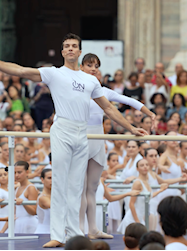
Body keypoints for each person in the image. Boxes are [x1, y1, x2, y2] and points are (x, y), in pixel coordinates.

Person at [0, 33, 147, 247]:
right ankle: (57, 235)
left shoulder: (90, 80)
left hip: (81, 132)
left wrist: (130, 128)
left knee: (77, 186)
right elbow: (22, 71)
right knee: (59, 183)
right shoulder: (54, 73)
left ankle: (75, 233)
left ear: (79, 51)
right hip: (63, 129)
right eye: (66, 46)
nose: (70, 49)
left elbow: (108, 108)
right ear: (62, 51)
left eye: (74, 46)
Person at [79, 53, 155, 239]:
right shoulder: (76, 88)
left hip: (97, 138)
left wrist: (150, 113)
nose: (94, 68)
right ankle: (79, 229)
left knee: (93, 187)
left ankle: (93, 229)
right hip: (80, 136)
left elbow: (129, 100)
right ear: (81, 68)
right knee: (79, 187)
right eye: (89, 65)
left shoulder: (103, 91)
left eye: (96, 65)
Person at [118, 159, 168, 233]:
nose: (145, 167)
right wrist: (137, 221)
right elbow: (131, 203)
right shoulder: (138, 183)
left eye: (146, 165)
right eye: (142, 165)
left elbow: (149, 196)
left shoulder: (146, 182)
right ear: (137, 169)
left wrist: (160, 190)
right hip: (133, 218)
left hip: (141, 217)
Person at [14, 161, 39, 233]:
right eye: (15, 173)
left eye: (19, 172)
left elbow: (34, 211)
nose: (16, 175)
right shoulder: (17, 187)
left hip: (29, 224)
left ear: (27, 172)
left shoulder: (31, 188)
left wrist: (23, 203)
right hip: (18, 223)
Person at [35, 168, 52, 234]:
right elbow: (57, 208)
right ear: (42, 180)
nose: (52, 180)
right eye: (49, 178)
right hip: (43, 232)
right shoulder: (43, 198)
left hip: (54, 232)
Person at [0, 167, 9, 233]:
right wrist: (7, 202)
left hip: (10, 217)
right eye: (0, 175)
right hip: (3, 218)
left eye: (5, 174)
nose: (3, 177)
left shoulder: (11, 188)